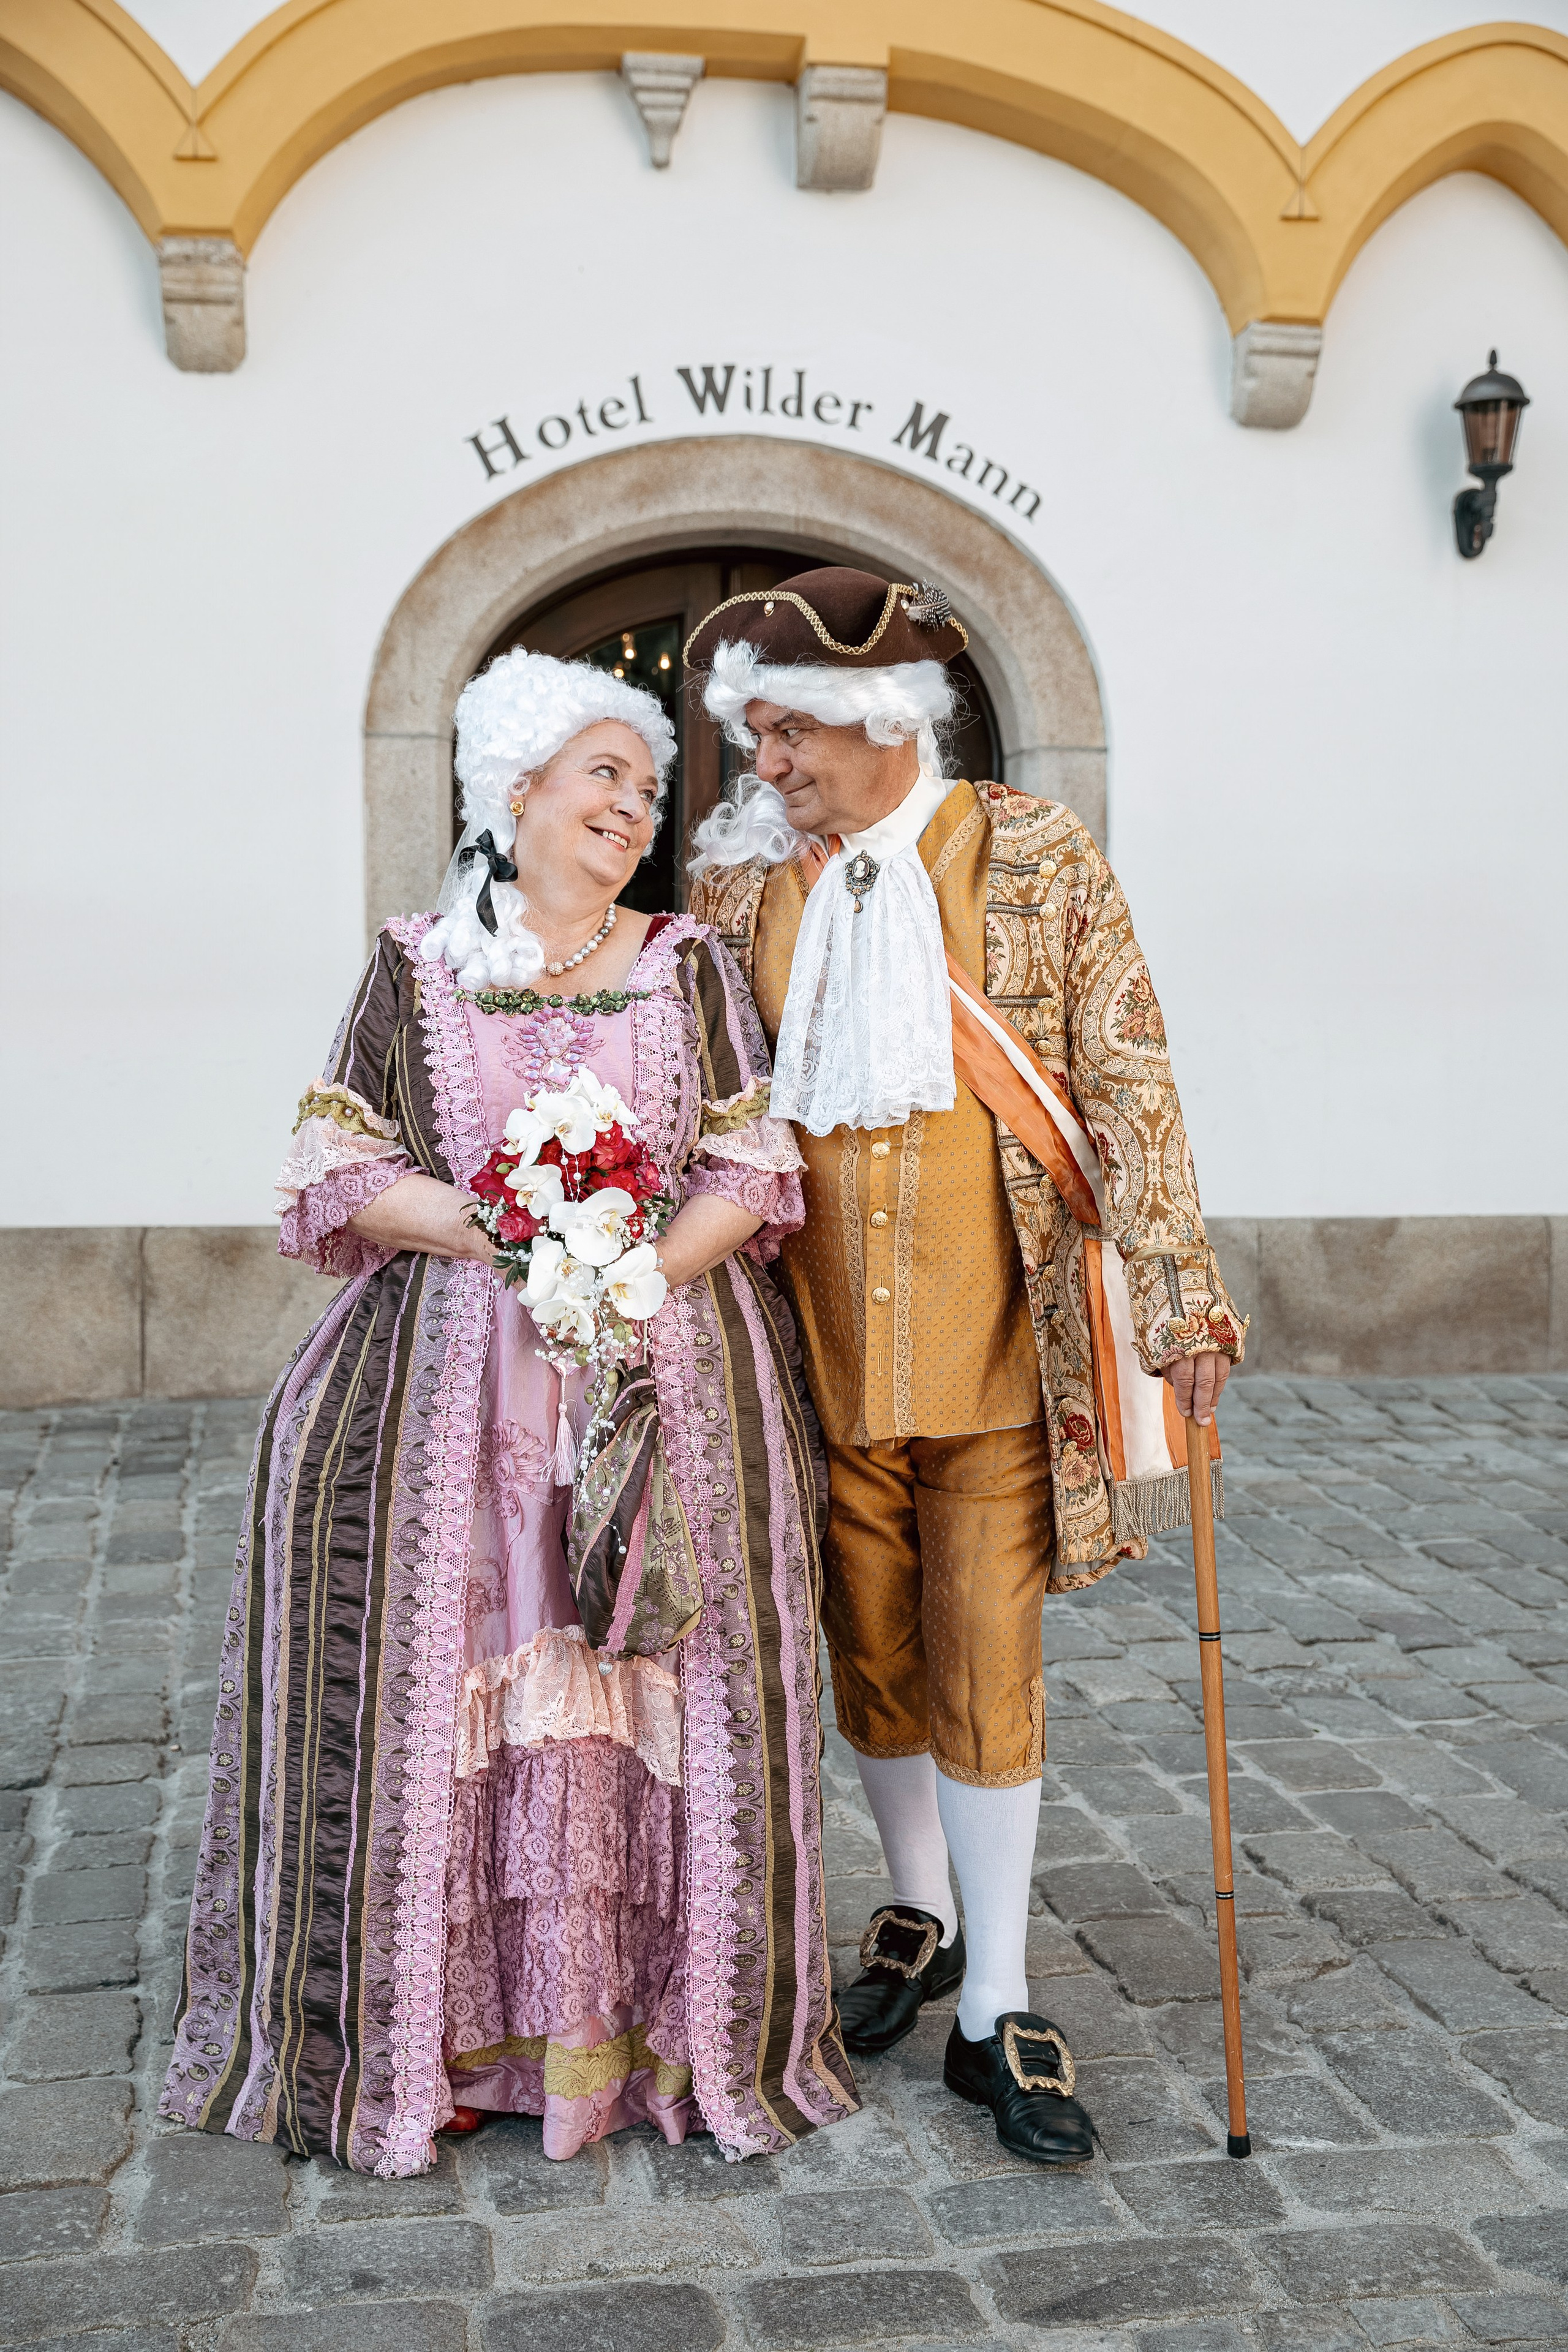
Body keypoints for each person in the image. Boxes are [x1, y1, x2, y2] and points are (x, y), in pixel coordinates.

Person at [161, 649, 857, 2175]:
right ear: (517, 786)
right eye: (604, 772)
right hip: (451, 1394)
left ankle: (643, 2042)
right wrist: (519, 1234)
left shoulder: (685, 967)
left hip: (657, 1372)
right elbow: (338, 1166)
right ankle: (446, 2045)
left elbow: (752, 1172)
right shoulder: (415, 964)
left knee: (638, 1686)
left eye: (646, 786)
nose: (631, 805)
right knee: (460, 1679)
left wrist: (624, 1275)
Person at [685, 568, 1245, 2166]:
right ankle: (915, 1913)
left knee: (982, 1652)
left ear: (888, 720)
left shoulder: (1038, 858)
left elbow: (1130, 1079)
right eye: (760, 732)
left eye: (791, 730)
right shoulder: (739, 894)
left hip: (1000, 1344)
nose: (769, 762)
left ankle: (998, 2001)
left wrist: (1183, 1301)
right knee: (870, 1649)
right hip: (815, 1353)